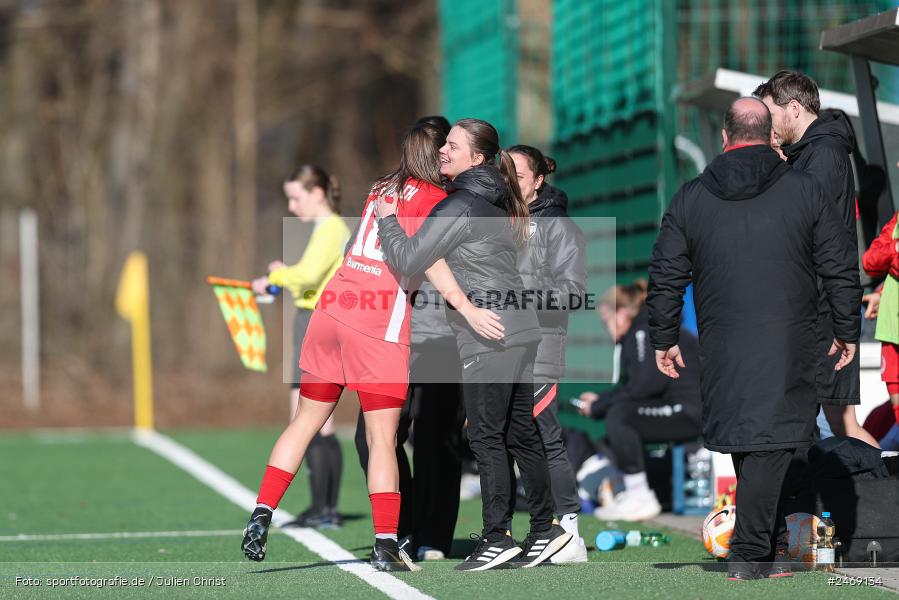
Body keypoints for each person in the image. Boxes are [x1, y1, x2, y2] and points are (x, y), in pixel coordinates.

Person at [241, 119, 485, 572]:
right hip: (377, 325)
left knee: (305, 421)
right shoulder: (436, 200)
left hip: (330, 311)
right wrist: (465, 306)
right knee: (381, 439)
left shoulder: (381, 186)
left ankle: (262, 513)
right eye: (446, 149)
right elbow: (426, 262)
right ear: (435, 155)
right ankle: (386, 543)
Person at [647, 98, 861, 580]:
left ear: (724, 138)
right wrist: (846, 328)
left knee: (758, 440)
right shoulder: (805, 190)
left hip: (722, 341)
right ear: (770, 136)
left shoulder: (690, 195)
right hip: (792, 338)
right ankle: (752, 551)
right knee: (770, 439)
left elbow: (665, 272)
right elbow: (838, 264)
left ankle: (765, 547)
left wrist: (663, 334)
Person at [376, 118, 572, 571]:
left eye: (452, 145)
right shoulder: (495, 197)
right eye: (444, 143)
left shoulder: (460, 203)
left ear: (477, 158)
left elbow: (409, 258)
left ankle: (497, 535)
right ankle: (546, 529)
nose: (442, 150)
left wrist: (389, 223)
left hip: (491, 333)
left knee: (486, 437)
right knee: (520, 434)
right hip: (521, 328)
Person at [354, 115, 467, 561]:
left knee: (430, 436)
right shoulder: (401, 192)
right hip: (394, 332)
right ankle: (402, 528)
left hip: (433, 333)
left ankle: (430, 535)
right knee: (383, 437)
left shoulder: (451, 198)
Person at [754, 71, 877, 447]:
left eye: (769, 113)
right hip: (820, 303)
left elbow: (803, 224)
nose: (766, 126)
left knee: (840, 424)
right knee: (839, 422)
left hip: (824, 305)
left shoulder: (822, 154)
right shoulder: (809, 153)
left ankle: (883, 496)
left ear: (793, 109)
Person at [251, 165, 350, 529]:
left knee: (315, 422)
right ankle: (319, 506)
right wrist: (282, 277)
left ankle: (328, 508)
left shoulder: (332, 227)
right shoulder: (322, 229)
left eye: (296, 197)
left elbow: (309, 277)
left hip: (318, 323)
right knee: (304, 420)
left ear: (318, 193)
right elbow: (309, 278)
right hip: (308, 321)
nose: (292, 206)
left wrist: (276, 275)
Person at [506, 144, 588, 562]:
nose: (509, 182)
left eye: (518, 175)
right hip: (501, 343)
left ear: (538, 181)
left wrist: (516, 296)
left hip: (540, 341)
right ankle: (513, 532)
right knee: (504, 436)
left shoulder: (558, 225)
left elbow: (573, 293)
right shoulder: (497, 218)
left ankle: (569, 531)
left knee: (544, 433)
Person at [577, 280, 702, 521]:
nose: (607, 328)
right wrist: (602, 401)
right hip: (679, 406)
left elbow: (645, 386)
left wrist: (600, 404)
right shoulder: (642, 330)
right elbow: (641, 386)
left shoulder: (644, 330)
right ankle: (629, 492)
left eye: (607, 321)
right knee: (616, 418)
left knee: (619, 415)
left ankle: (640, 496)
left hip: (691, 411)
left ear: (622, 314)